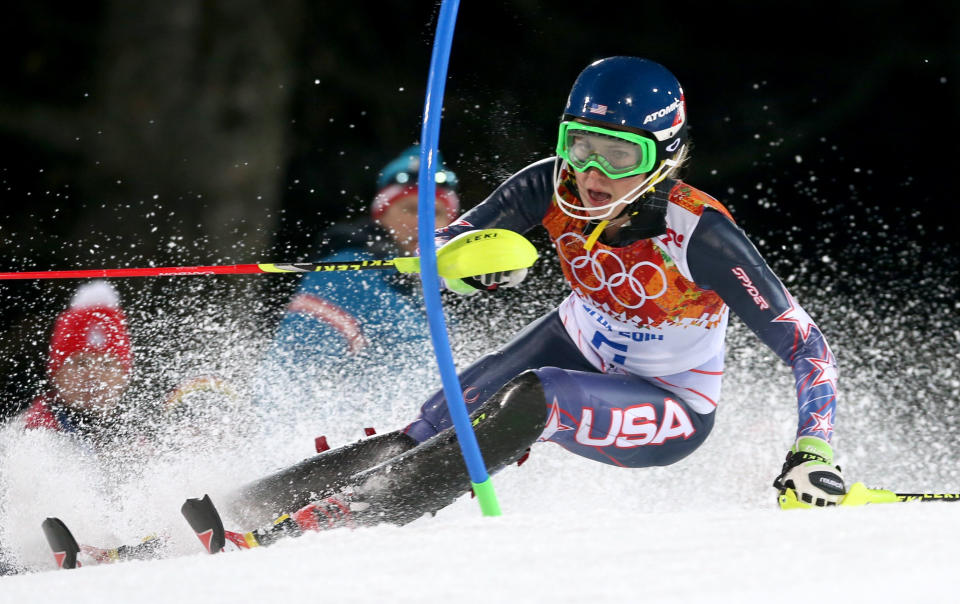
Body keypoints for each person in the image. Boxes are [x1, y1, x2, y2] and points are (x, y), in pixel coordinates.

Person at [222, 56, 842, 542]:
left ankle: (343, 521)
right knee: (439, 422)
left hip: (670, 403)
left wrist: (813, 446)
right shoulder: (551, 181)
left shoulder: (699, 232)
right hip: (575, 337)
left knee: (539, 396)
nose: (593, 174)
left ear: (664, 158)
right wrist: (456, 263)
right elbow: (449, 242)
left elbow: (805, 344)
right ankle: (244, 507)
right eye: (581, 144)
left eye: (621, 154)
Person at [254, 145, 461, 425]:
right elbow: (292, 365)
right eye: (410, 209)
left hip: (423, 434)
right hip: (353, 437)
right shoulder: (349, 273)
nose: (423, 222)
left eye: (435, 212)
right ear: (382, 213)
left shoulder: (431, 288)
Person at [19, 280, 133, 441]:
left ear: (124, 378)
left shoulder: (133, 433)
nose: (94, 374)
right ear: (56, 374)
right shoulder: (33, 431)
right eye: (81, 363)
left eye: (107, 364)